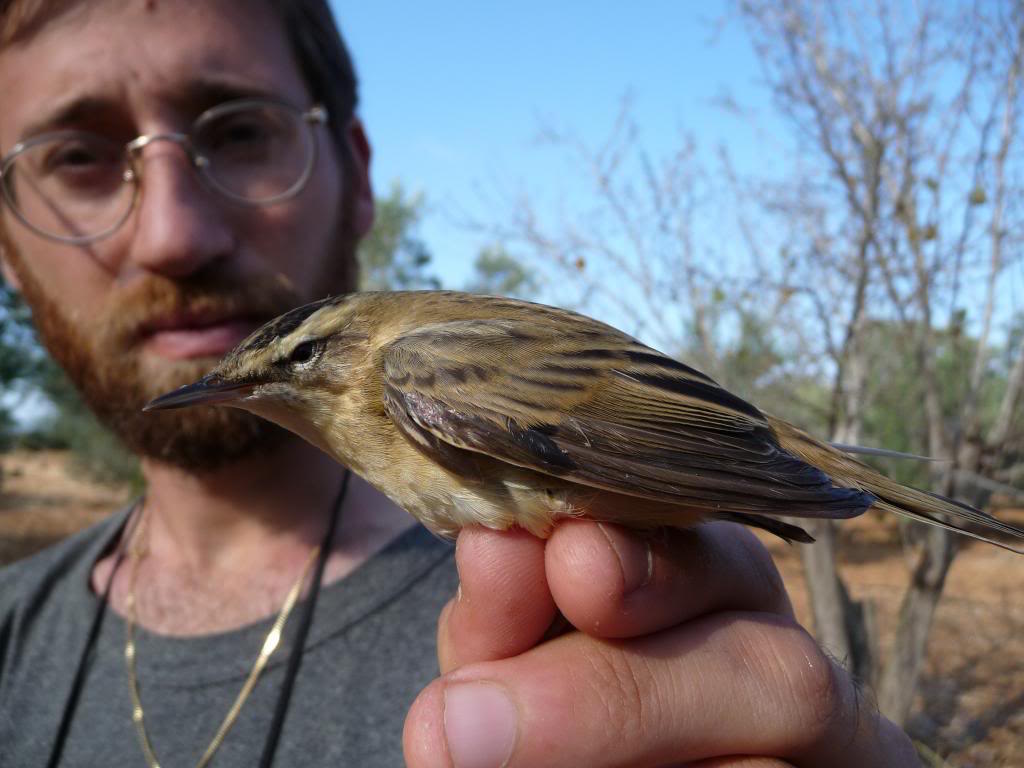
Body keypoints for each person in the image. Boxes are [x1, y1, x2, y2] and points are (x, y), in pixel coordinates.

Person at [0, 1, 918, 766]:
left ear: (361, 174)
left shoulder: (418, 369)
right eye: (76, 157)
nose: (173, 234)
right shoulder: (17, 641)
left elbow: (616, 420)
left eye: (239, 131)